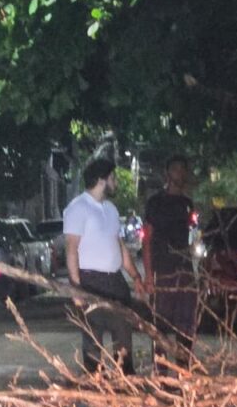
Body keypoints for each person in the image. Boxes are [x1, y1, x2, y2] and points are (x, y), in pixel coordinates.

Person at [64, 158, 146, 374]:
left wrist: (136, 277)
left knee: (124, 338)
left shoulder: (110, 209)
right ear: (102, 180)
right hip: (90, 281)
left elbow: (119, 247)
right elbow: (71, 250)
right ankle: (95, 389)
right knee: (93, 340)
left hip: (115, 282)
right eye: (113, 178)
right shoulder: (78, 208)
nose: (116, 182)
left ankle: (126, 387)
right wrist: (76, 289)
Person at [143, 155, 197, 369]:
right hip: (163, 271)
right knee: (161, 327)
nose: (179, 174)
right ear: (167, 173)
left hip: (185, 272)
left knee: (186, 326)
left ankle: (184, 371)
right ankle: (162, 374)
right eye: (175, 169)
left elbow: (193, 236)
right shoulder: (155, 203)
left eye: (183, 170)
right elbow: (147, 239)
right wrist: (149, 276)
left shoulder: (186, 204)